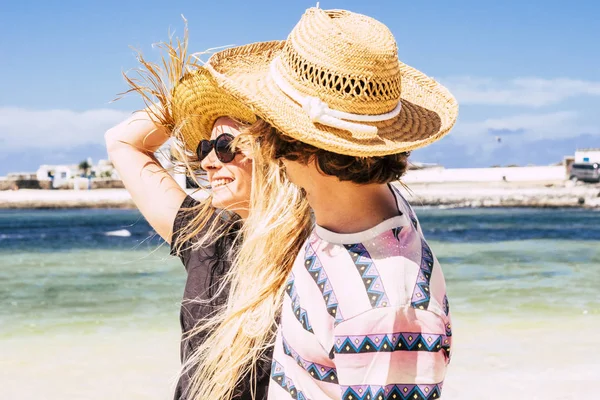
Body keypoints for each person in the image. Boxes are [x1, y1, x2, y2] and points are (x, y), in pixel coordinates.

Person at [181, 6, 459, 399]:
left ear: (295, 143)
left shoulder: (387, 305)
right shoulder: (364, 214)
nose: (255, 134)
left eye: (264, 118)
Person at [103, 37, 310, 399]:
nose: (209, 161)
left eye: (226, 146)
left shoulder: (317, 249)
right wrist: (189, 102)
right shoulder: (206, 236)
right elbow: (122, 141)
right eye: (204, 148)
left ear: (271, 149)